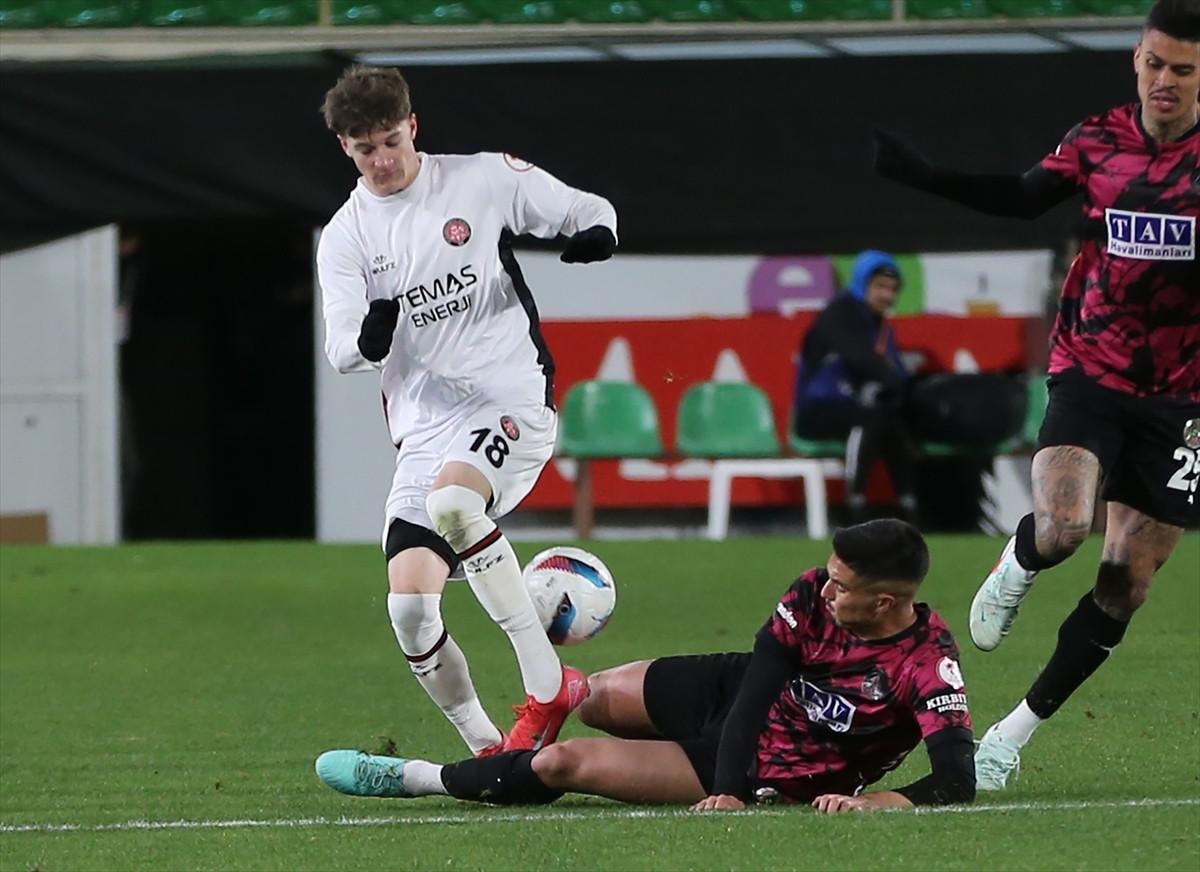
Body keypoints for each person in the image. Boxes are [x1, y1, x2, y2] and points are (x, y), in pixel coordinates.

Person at [873, 0, 1199, 790]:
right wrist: (923, 176)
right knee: (1063, 528)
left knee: (1128, 581)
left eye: (1184, 70)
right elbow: (1023, 196)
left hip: (1185, 398)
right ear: (1136, 58)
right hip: (1092, 367)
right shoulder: (1098, 140)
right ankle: (1019, 561)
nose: (1165, 80)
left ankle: (1009, 737)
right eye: (1155, 63)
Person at [316, 65, 617, 757]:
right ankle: (488, 747)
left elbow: (586, 208)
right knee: (409, 607)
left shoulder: (480, 179)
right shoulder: (346, 236)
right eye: (365, 150)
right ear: (345, 148)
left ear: (412, 125)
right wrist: (368, 341)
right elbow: (340, 348)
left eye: (391, 142)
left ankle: (548, 686)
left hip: (510, 398)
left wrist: (598, 234)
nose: (382, 161)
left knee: (454, 502)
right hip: (426, 430)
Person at [314, 520, 976, 812]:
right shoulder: (812, 592)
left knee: (563, 763)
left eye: (842, 586)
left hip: (777, 766)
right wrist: (728, 785)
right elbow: (759, 685)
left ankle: (416, 778)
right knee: (593, 697)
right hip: (737, 691)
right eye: (828, 575)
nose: (825, 589)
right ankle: (535, 726)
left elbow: (956, 779)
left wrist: (880, 801)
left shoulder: (926, 665)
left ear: (885, 602)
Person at [793, 250, 919, 525]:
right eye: (880, 287)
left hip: (859, 407)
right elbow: (860, 357)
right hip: (819, 409)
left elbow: (895, 371)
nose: (887, 296)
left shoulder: (881, 325)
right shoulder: (839, 314)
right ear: (862, 283)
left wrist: (900, 387)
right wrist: (892, 381)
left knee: (892, 420)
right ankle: (855, 504)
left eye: (893, 290)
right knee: (870, 417)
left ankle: (909, 505)